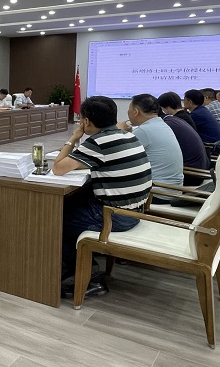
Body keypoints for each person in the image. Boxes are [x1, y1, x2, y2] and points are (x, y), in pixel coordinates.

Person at [53, 96, 151, 298]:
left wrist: (74, 137)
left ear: (86, 121)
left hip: (117, 216)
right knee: (71, 203)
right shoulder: (127, 135)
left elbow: (58, 168)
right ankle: (77, 265)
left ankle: (92, 278)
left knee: (55, 220)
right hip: (135, 210)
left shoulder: (98, 142)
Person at [117, 94, 183, 203]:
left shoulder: (144, 130)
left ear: (136, 111)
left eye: (129, 110)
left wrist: (117, 131)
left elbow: (116, 155)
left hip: (156, 194)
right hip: (172, 191)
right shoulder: (161, 124)